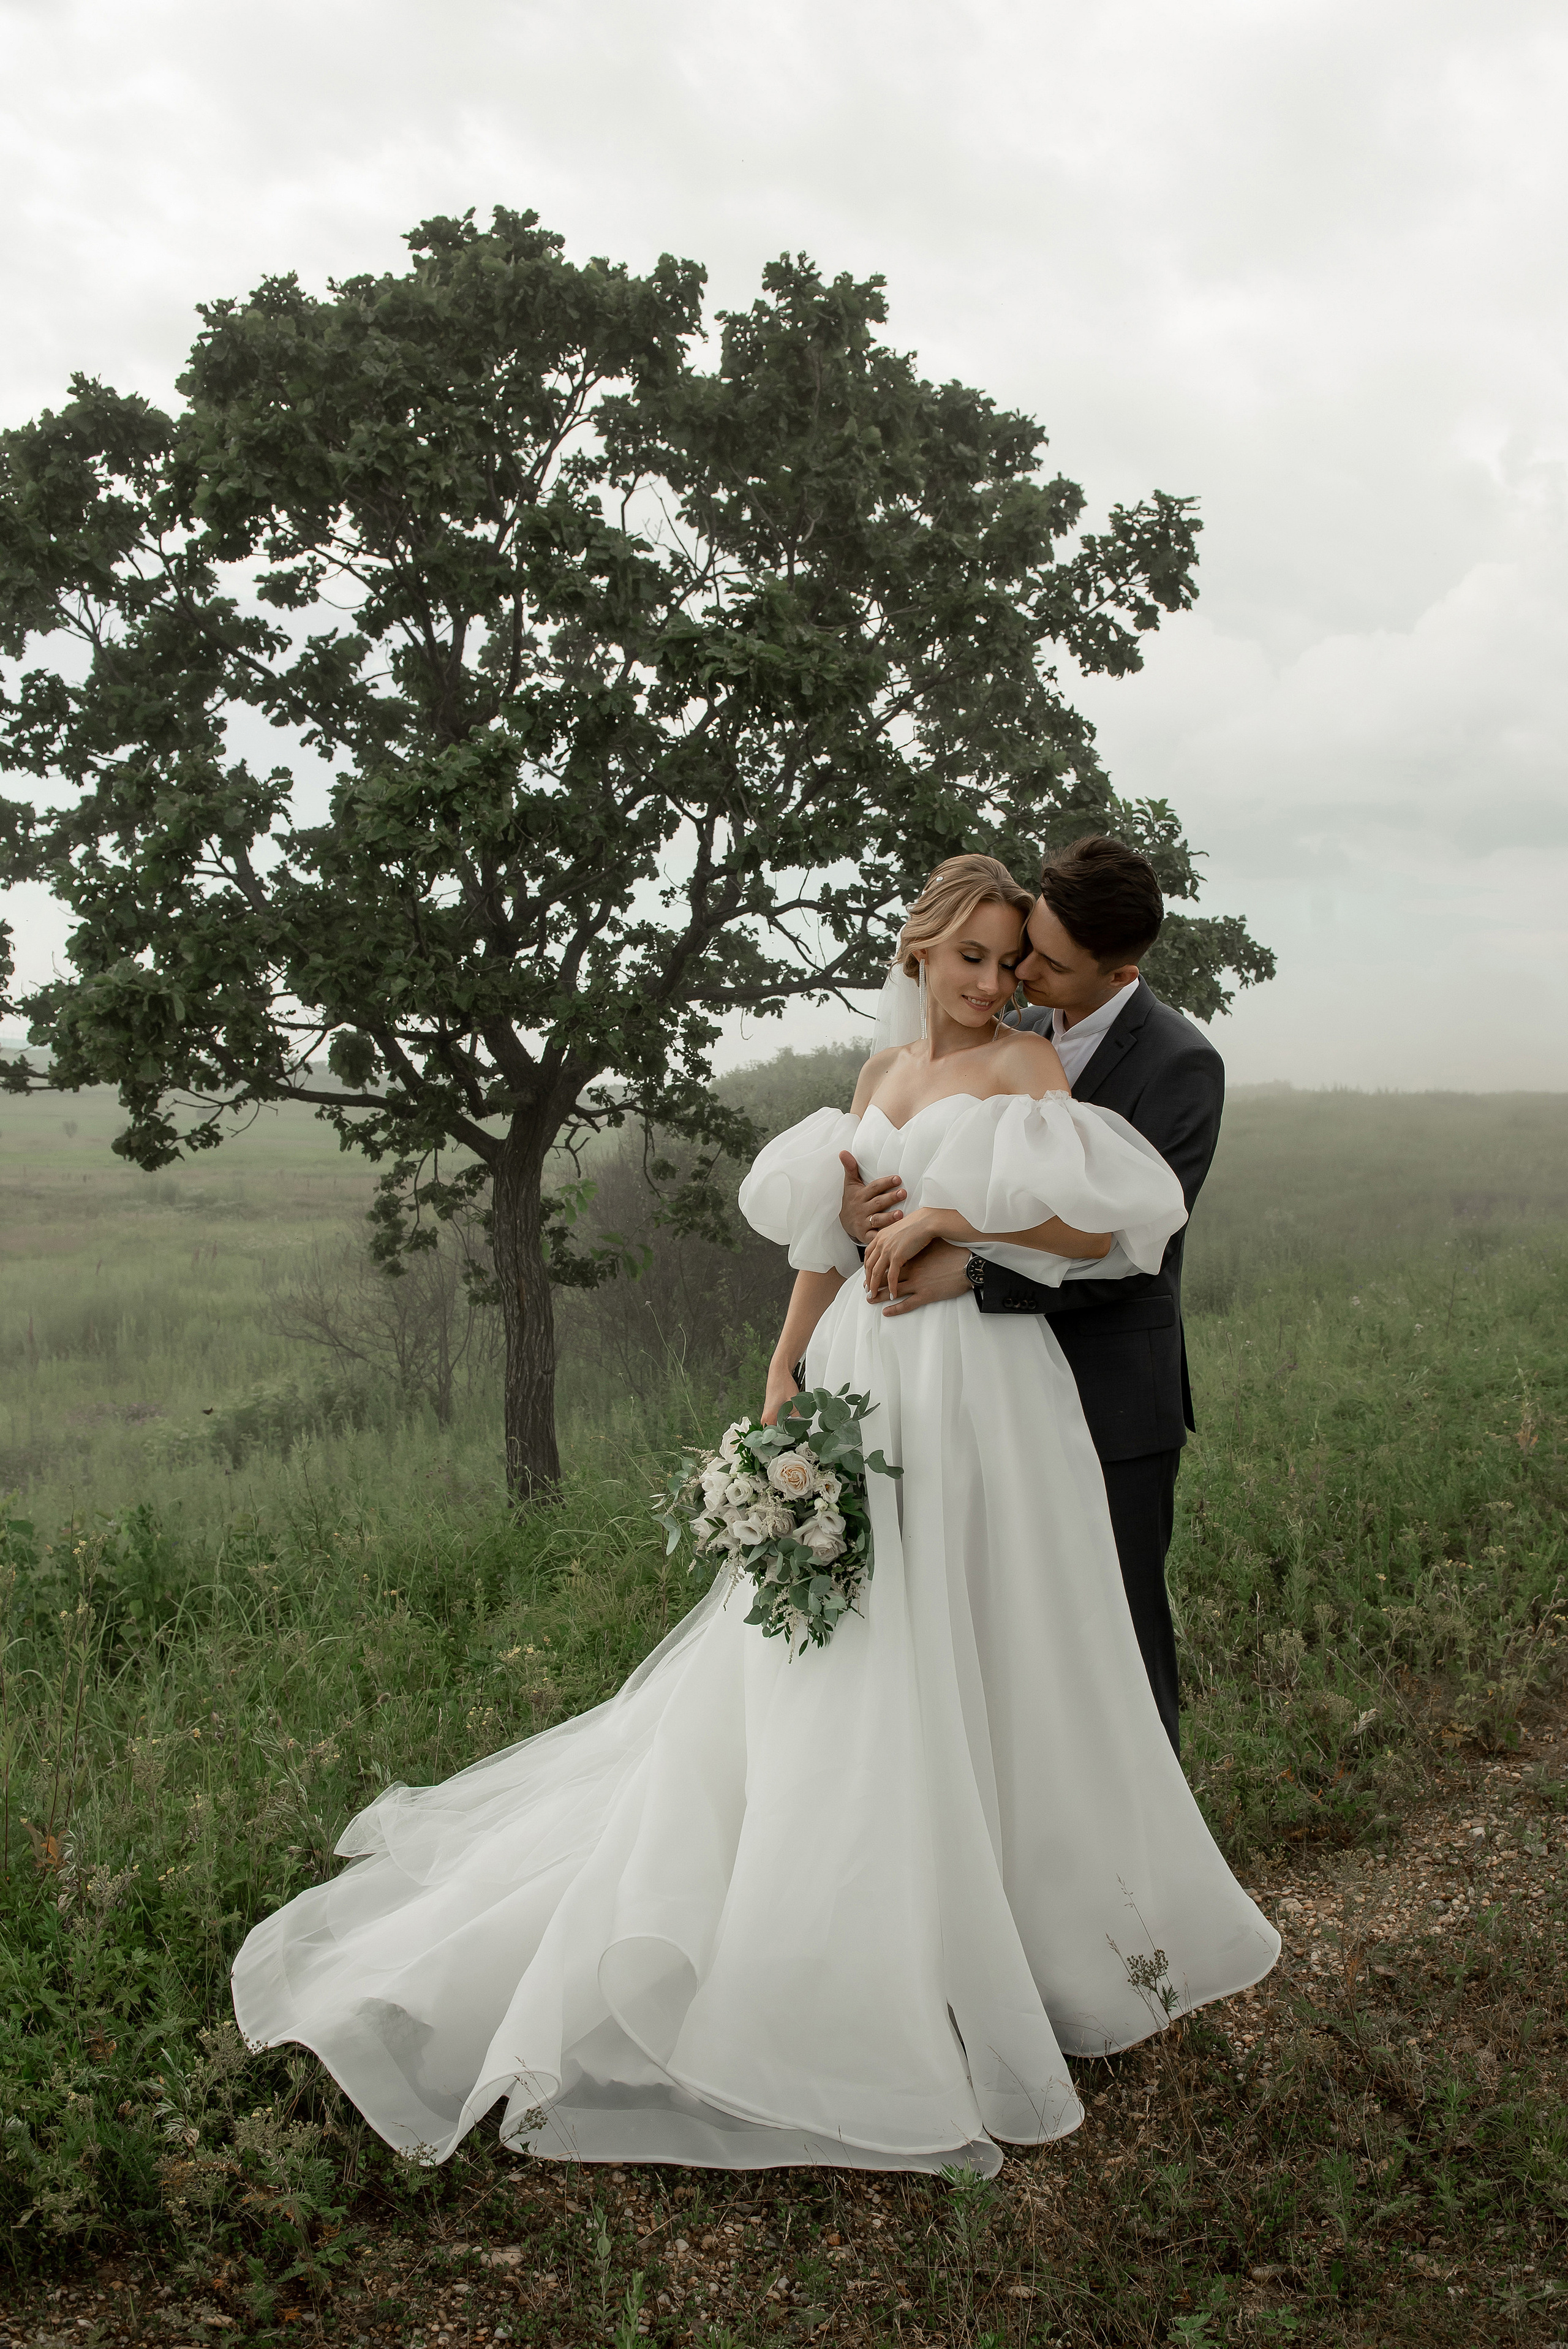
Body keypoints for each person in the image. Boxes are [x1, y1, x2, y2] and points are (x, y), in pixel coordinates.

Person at [231, 853, 1276, 2181]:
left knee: (993, 1637)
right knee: (846, 1649)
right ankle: (849, 1934)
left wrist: (968, 1221)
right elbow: (826, 1241)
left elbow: (1112, 1228)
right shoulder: (877, 1081)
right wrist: (784, 1361)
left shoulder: (1029, 1072)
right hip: (860, 1368)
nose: (993, 983)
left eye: (1011, 963)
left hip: (980, 1387)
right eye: (972, 957)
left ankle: (1015, 1939)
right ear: (918, 952)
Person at [839, 834, 1221, 1755]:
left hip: (1111, 1389)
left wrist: (966, 1263)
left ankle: (1148, 1867)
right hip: (981, 1389)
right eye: (1019, 952)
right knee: (1001, 1632)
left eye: (1045, 961)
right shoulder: (1002, 1027)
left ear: (1117, 968)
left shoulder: (1180, 1066)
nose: (1020, 975)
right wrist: (858, 1210)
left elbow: (1130, 1251)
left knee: (1118, 1639)